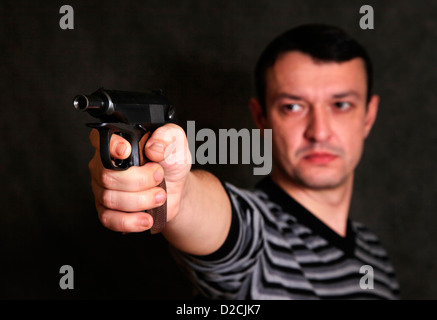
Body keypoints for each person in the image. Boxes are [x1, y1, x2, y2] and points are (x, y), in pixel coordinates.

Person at [87, 24, 400, 299]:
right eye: (293, 107)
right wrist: (178, 196)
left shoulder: (377, 261)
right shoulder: (257, 235)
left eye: (341, 104)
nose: (319, 132)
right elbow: (227, 226)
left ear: (368, 116)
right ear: (261, 118)